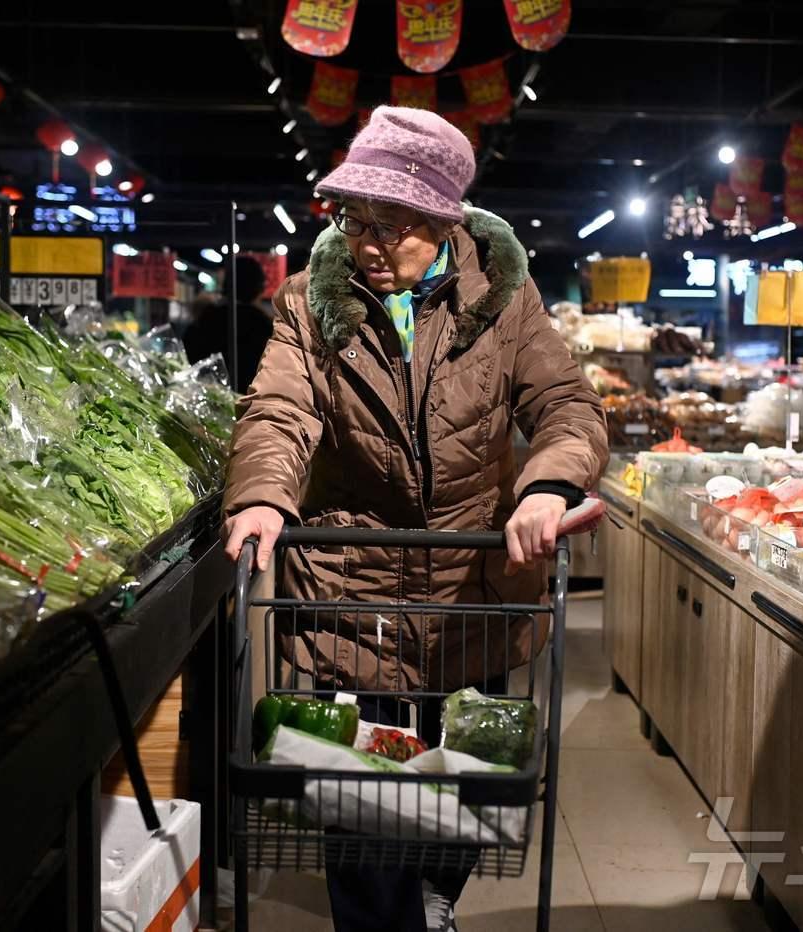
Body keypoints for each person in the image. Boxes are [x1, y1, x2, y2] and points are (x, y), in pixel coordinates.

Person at [222, 106, 607, 932]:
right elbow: (279, 410)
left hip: (471, 585)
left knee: (464, 777)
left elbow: (567, 406)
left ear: (441, 220)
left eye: (389, 225)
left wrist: (547, 486)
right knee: (359, 799)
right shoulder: (308, 304)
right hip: (348, 586)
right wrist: (261, 493)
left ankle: (434, 894)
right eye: (354, 219)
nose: (366, 240)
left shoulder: (505, 301)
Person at [182, 254, 274, 391]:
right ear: (259, 289)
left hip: (208, 401)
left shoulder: (205, 319)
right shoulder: (265, 326)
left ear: (225, 285)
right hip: (251, 403)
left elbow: (187, 357)